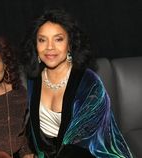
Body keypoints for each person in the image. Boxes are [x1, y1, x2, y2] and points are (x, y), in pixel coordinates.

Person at [19, 8, 133, 158]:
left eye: (58, 39)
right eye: (42, 40)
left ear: (70, 43)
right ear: (35, 45)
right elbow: (30, 128)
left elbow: (89, 141)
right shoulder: (34, 79)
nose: (49, 47)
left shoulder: (88, 83)